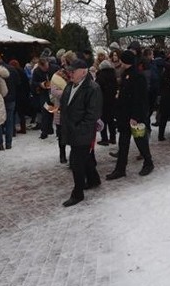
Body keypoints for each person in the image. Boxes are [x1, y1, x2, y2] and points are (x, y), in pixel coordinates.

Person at [58, 59, 103, 206]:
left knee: (76, 163)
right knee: (86, 157)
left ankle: (77, 194)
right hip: (70, 130)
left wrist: (79, 129)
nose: (70, 73)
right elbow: (65, 106)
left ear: (83, 72)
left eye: (73, 71)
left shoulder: (92, 88)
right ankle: (94, 180)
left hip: (82, 132)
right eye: (69, 70)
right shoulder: (69, 86)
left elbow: (92, 115)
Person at [106, 50, 154, 179]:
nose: (119, 61)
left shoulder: (138, 76)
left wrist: (135, 117)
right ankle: (120, 169)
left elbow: (140, 99)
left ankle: (148, 163)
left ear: (124, 61)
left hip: (135, 117)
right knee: (123, 143)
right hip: (124, 116)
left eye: (121, 59)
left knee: (140, 141)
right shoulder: (126, 73)